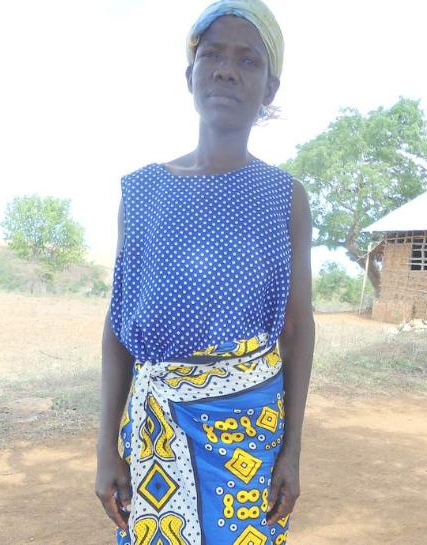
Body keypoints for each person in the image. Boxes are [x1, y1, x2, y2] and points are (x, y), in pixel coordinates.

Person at [94, 2, 315, 544]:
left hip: (248, 436)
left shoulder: (285, 199)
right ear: (189, 74)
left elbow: (297, 328)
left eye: (248, 60)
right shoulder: (142, 192)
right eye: (212, 55)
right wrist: (105, 447)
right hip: (155, 432)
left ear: (269, 88)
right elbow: (120, 324)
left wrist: (292, 451)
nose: (225, 71)